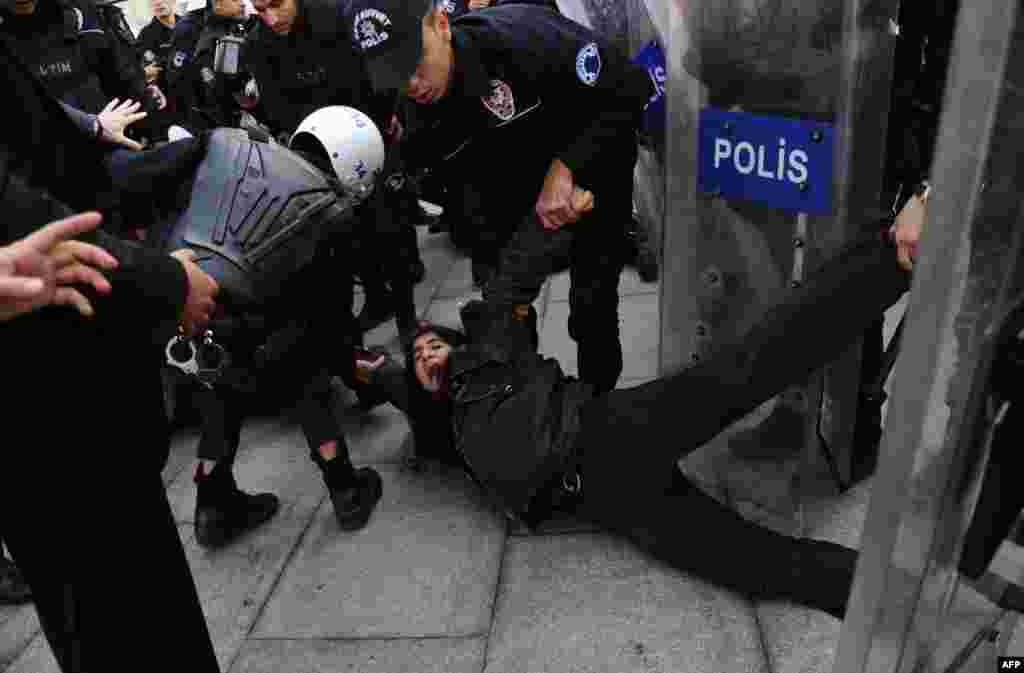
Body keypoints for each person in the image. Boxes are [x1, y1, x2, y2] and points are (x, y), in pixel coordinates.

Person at [349, 210, 923, 618]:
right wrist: (368, 368)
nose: (426, 353)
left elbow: (511, 278)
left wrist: (557, 213)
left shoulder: (492, 347)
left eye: (432, 344)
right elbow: (393, 382)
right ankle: (883, 592)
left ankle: (890, 254)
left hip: (612, 428)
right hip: (602, 499)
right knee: (742, 562)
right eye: (420, 356)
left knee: (752, 364)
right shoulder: (445, 426)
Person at [1, 34, 222, 671]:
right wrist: (166, 281)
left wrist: (189, 153)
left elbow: (75, 172)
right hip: (54, 425)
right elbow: (30, 221)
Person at [348, 0, 652, 393]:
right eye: (394, 73)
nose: (411, 84)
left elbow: (631, 88)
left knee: (591, 310)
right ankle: (525, 411)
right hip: (507, 206)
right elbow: (426, 179)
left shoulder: (523, 38)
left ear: (442, 24)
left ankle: (600, 407)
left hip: (592, 179)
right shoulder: (414, 109)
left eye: (415, 62)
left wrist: (567, 166)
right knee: (504, 323)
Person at [246, 0, 423, 344]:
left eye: (276, 5)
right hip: (318, 153)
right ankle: (376, 297)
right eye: (260, 10)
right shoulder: (259, 44)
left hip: (369, 136)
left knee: (391, 229)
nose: (271, 18)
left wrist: (388, 121)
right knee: (349, 236)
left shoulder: (337, 17)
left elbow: (378, 74)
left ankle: (408, 317)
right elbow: (276, 109)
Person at [0, 0, 167, 133]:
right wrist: (93, 126)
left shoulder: (83, 16)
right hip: (40, 158)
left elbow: (121, 76)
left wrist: (146, 99)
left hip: (111, 142)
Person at [164, 0, 257, 133]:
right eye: (235, 0)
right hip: (202, 121)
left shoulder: (239, 24)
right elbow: (177, 80)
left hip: (236, 116)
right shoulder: (190, 27)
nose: (242, 3)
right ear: (216, 3)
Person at [135, 0, 180, 137]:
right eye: (153, 1)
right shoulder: (146, 35)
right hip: (167, 97)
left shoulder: (190, 25)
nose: (158, 3)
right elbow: (146, 70)